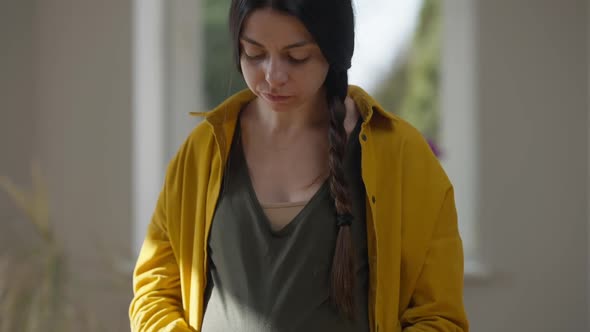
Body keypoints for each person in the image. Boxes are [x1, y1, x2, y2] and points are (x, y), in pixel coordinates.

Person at [129, 0, 469, 331]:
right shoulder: (202, 152)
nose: (273, 76)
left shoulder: (402, 157)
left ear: (335, 50)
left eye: (296, 57)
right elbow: (154, 292)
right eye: (254, 53)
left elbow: (438, 317)